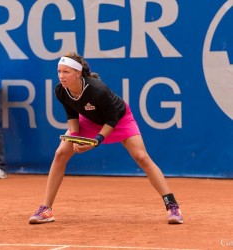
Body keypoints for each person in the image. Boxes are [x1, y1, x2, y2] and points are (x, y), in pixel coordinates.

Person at [29, 52, 183, 224]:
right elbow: (72, 115)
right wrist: (74, 136)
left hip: (119, 119)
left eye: (66, 72)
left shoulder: (97, 90)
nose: (61, 76)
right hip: (88, 120)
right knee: (60, 154)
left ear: (78, 73)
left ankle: (172, 206)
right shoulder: (61, 90)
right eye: (59, 71)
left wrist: (96, 141)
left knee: (142, 157)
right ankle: (46, 209)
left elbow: (112, 119)